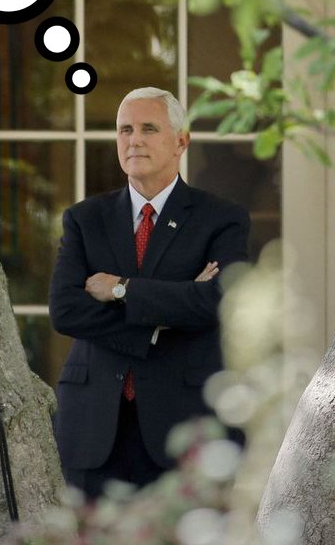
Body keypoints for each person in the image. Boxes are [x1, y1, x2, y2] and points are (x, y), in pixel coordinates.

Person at [49, 87, 250, 498]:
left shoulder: (221, 219)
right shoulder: (85, 219)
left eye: (148, 129)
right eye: (125, 130)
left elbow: (216, 302)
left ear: (181, 141)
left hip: (186, 425)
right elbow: (66, 310)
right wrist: (163, 318)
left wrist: (120, 288)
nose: (134, 140)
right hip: (94, 426)